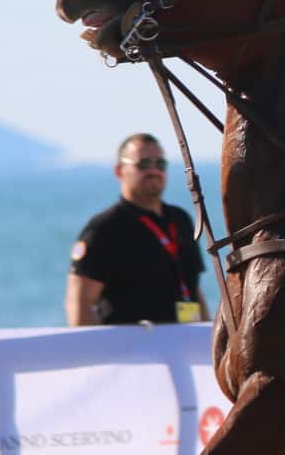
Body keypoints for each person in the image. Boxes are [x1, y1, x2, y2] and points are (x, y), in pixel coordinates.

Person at [66, 134, 209, 327]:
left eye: (160, 164)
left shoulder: (180, 219)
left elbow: (194, 289)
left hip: (185, 342)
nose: (153, 170)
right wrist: (96, 353)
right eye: (143, 164)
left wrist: (208, 340)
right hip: (133, 351)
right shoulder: (104, 229)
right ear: (119, 171)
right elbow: (80, 302)